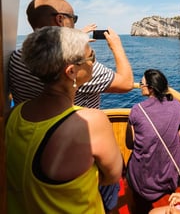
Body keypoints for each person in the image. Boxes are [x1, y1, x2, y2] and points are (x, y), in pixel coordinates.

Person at [5, 26, 123, 213]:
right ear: (71, 72)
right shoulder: (91, 122)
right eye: (91, 57)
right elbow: (113, 176)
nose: (93, 62)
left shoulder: (14, 114)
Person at [8, 0, 134, 108]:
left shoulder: (16, 57)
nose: (74, 23)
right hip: (75, 130)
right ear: (60, 19)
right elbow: (126, 83)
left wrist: (74, 41)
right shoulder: (76, 66)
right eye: (74, 18)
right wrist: (116, 47)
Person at [125, 69, 180, 214]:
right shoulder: (177, 106)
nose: (140, 85)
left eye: (142, 83)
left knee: (129, 165)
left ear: (151, 88)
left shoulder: (137, 110)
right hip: (169, 178)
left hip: (143, 184)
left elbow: (130, 144)